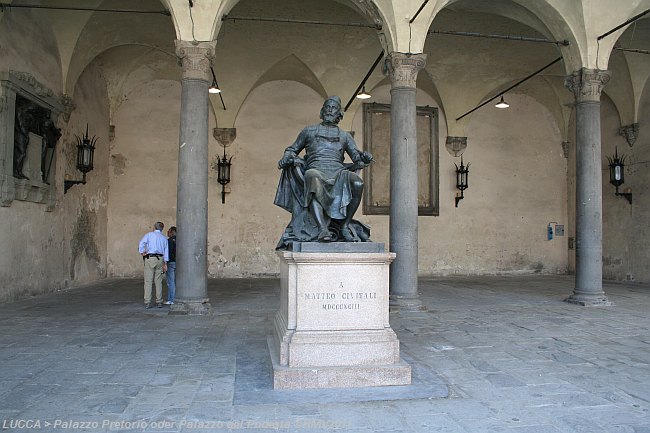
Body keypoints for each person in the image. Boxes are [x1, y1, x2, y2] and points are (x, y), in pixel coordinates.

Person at [274, 96, 373, 249]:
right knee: (312, 178)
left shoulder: (345, 136)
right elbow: (292, 149)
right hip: (315, 169)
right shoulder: (309, 131)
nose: (329, 110)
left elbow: (356, 157)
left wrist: (364, 157)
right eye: (327, 107)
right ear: (322, 111)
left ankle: (344, 226)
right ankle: (322, 229)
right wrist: (287, 157)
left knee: (358, 183)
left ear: (339, 114)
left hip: (338, 171)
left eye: (333, 108)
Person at [138, 222, 169, 309]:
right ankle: (159, 301)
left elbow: (141, 243)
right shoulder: (164, 238)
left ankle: (147, 301)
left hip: (150, 258)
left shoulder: (149, 235)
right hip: (160, 259)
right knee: (158, 280)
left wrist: (142, 252)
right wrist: (165, 263)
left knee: (148, 280)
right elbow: (166, 251)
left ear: (154, 227)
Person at [164, 226, 176, 305]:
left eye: (168, 231)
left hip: (171, 262)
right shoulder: (181, 240)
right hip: (179, 262)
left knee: (171, 282)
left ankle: (172, 299)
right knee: (176, 281)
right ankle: (173, 298)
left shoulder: (169, 241)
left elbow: (167, 253)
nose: (167, 233)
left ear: (171, 232)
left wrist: (165, 263)